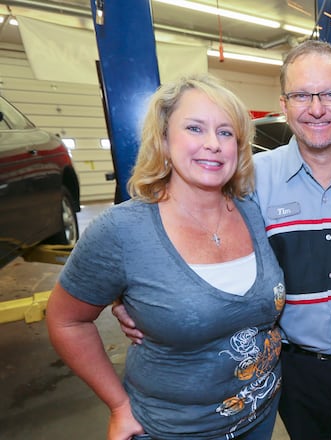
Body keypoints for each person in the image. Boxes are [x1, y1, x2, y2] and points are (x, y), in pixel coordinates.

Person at [114, 40, 331, 439]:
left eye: (330, 94)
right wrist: (126, 294)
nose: (316, 108)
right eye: (301, 95)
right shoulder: (249, 178)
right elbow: (191, 228)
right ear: (284, 105)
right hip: (290, 364)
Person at [47, 74, 286, 440]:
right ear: (163, 138)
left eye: (225, 132)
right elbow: (67, 321)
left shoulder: (252, 210)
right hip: (173, 430)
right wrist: (118, 406)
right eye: (195, 128)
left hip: (259, 415)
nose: (213, 144)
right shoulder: (122, 230)